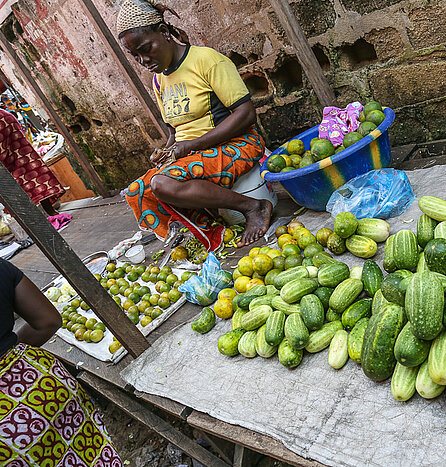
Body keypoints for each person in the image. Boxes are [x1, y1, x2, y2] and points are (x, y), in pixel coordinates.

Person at [116, 0, 272, 250]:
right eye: (135, 55)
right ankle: (210, 230)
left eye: (146, 49)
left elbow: (245, 114)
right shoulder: (159, 81)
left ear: (165, 33)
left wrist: (192, 146)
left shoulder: (206, 60)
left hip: (237, 144)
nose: (143, 60)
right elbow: (174, 132)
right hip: (195, 154)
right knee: (136, 191)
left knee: (163, 183)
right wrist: (167, 152)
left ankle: (253, 206)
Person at [0, 258, 122, 465]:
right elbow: (48, 321)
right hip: (44, 384)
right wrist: (11, 352)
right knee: (92, 455)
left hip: (9, 430)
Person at [0, 109, 64, 216]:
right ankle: (49, 211)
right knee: (27, 163)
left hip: (4, 123)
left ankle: (35, 216)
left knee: (13, 173)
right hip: (6, 119)